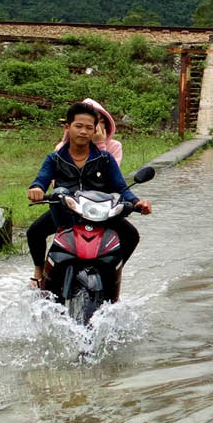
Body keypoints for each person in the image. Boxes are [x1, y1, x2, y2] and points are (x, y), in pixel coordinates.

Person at [26, 101, 150, 289]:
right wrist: (37, 188)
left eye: (88, 127)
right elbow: (42, 178)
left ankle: (113, 272)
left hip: (99, 213)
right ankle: (39, 271)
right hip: (66, 212)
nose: (83, 132)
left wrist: (136, 202)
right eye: (78, 126)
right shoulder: (56, 157)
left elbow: (121, 187)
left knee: (131, 235)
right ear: (68, 127)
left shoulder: (105, 157)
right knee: (34, 232)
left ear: (95, 130)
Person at [56, 97, 123, 166]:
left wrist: (99, 144)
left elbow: (109, 174)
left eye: (102, 122)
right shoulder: (63, 147)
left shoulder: (114, 146)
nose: (98, 126)